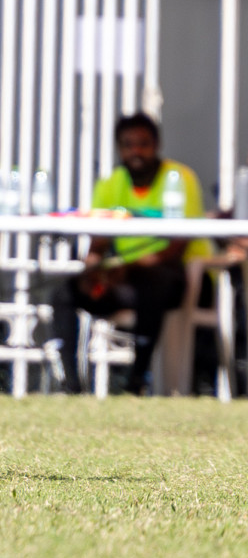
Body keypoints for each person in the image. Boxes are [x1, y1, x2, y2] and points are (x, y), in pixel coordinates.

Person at [47, 113, 207, 395]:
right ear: (119, 148)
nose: (136, 151)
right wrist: (92, 270)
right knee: (64, 293)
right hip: (125, 278)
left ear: (156, 145)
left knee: (154, 282)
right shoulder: (111, 183)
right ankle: (71, 384)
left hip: (180, 277)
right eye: (128, 144)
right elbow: (97, 245)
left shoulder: (179, 178)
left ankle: (137, 382)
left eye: (143, 144)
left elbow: (177, 245)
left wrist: (127, 267)